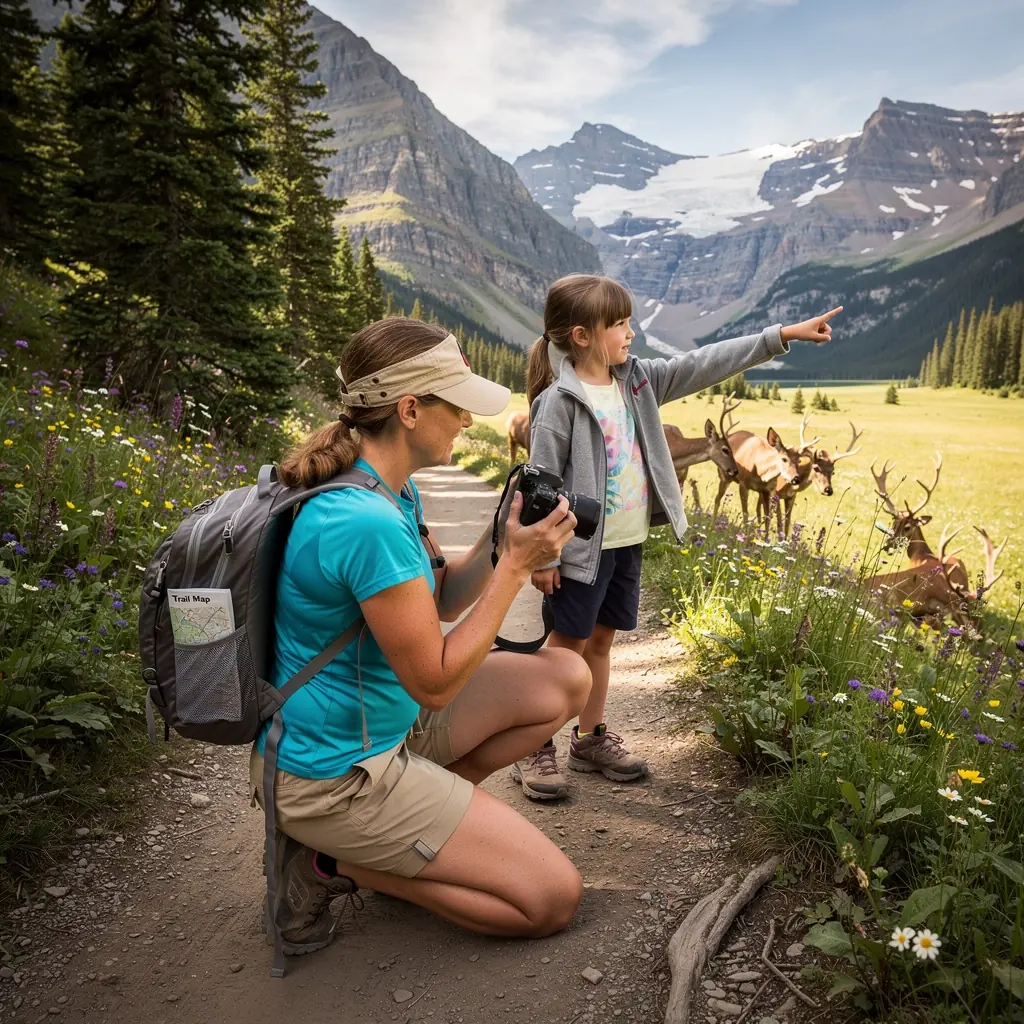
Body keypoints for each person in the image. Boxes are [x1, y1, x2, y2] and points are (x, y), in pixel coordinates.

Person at [249, 317, 592, 956]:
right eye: (457, 404)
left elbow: (439, 595)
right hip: (336, 775)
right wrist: (517, 569)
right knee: (551, 898)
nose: (468, 419)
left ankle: (418, 831)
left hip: (383, 729)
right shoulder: (362, 520)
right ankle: (329, 862)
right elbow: (434, 682)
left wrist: (501, 537)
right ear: (410, 410)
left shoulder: (384, 487)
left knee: (567, 678)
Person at [510, 274, 842, 800]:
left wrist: (782, 335)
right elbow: (541, 485)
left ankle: (590, 738)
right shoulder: (557, 402)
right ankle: (531, 744)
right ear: (582, 336)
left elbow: (704, 363)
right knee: (563, 647)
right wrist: (542, 558)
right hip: (577, 550)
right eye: (618, 323)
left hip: (624, 542)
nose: (630, 332)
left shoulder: (637, 381)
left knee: (600, 641)